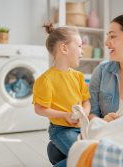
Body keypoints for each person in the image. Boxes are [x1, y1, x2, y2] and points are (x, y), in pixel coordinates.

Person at [32, 23, 91, 167]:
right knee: (86, 157)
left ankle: (56, 152)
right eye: (79, 46)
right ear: (64, 48)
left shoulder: (78, 76)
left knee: (93, 151)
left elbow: (86, 101)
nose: (82, 52)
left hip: (82, 127)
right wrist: (64, 115)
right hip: (61, 130)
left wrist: (84, 113)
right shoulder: (46, 80)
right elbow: (40, 108)